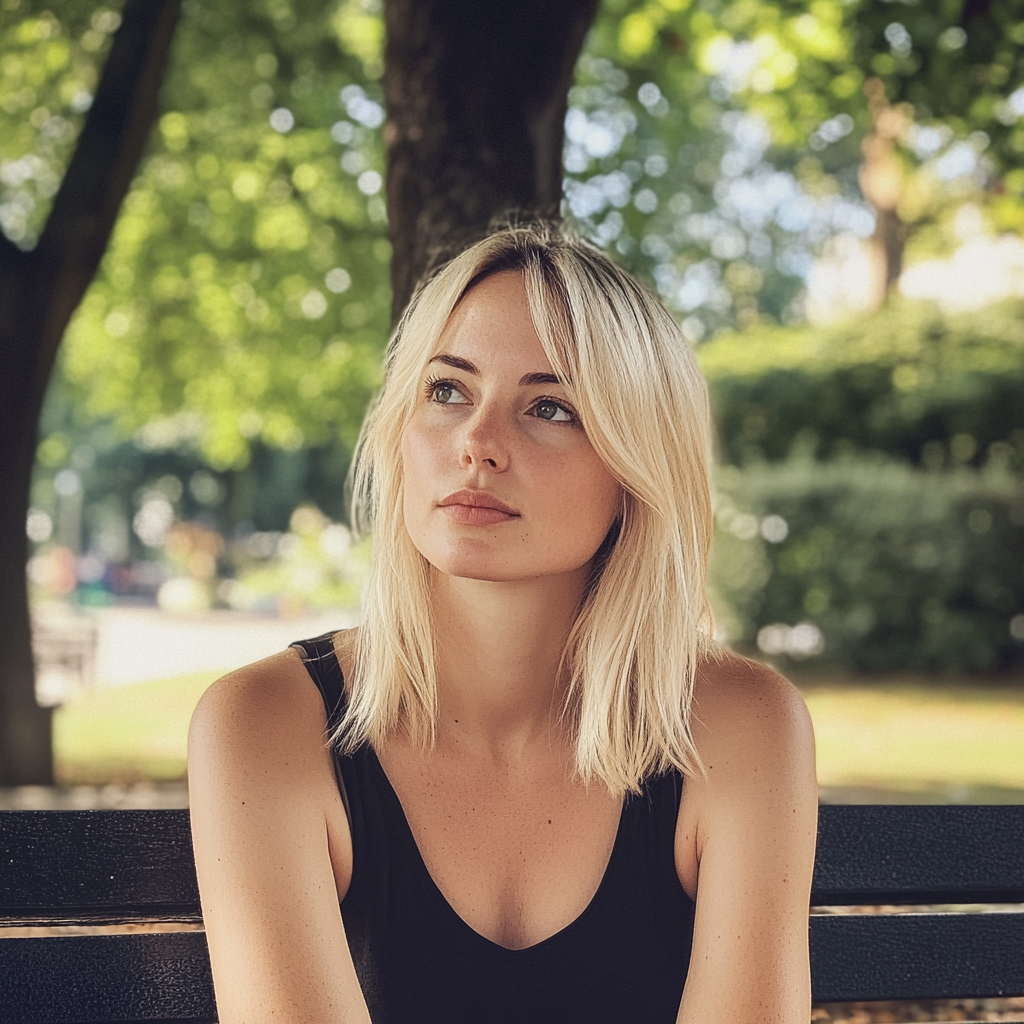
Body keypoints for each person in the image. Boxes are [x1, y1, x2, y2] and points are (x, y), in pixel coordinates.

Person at [188, 224, 818, 1024]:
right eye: (447, 391)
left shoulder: (738, 727)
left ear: (635, 470)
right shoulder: (268, 725)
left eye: (549, 408)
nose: (477, 445)